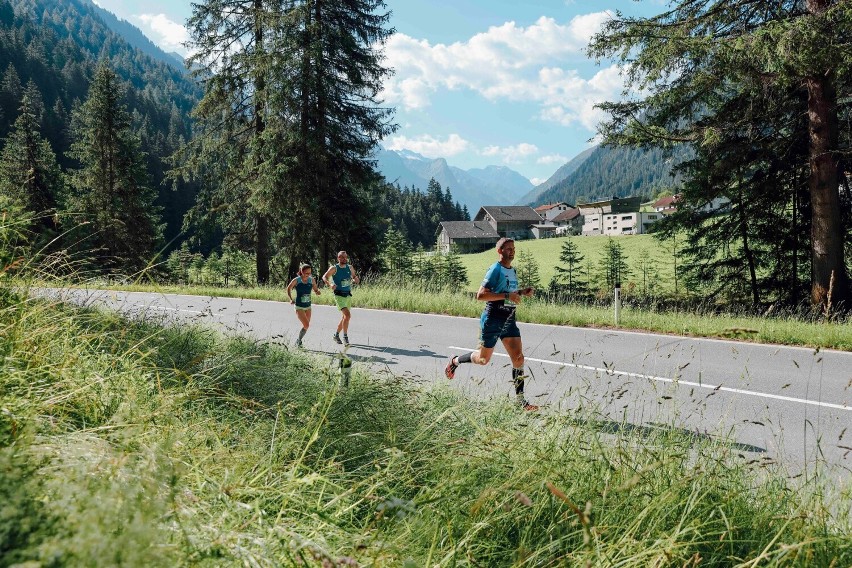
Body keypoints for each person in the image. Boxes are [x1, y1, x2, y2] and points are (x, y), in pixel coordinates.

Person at [444, 237, 539, 411]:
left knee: (519, 359)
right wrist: (507, 296)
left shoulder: (513, 270)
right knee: (482, 359)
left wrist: (521, 292)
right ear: (500, 251)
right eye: (508, 248)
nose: (512, 251)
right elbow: (481, 295)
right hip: (493, 319)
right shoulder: (495, 269)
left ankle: (520, 401)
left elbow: (508, 293)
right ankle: (455, 361)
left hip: (509, 320)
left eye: (513, 248)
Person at [323, 250, 360, 345]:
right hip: (339, 295)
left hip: (348, 294)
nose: (344, 259)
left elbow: (354, 277)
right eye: (342, 257)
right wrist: (330, 284)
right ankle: (345, 337)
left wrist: (355, 279)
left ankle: (336, 335)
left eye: (345, 257)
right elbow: (324, 277)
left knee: (345, 317)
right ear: (338, 258)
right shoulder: (334, 268)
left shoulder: (350, 267)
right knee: (347, 316)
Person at [286, 263, 321, 348]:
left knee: (306, 326)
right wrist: (291, 298)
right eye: (306, 273)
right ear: (302, 271)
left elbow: (315, 289)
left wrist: (317, 292)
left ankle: (298, 340)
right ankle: (299, 341)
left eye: (310, 273)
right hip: (299, 306)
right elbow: (289, 288)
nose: (308, 275)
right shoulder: (296, 280)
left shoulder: (311, 280)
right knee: (306, 325)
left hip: (308, 306)